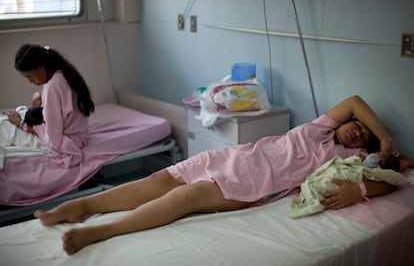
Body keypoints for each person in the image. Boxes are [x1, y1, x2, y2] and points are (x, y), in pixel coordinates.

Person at [34, 95, 399, 255]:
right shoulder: (320, 127)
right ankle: (83, 205)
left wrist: (367, 176)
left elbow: (398, 174)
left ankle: (98, 232)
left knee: (183, 198)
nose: (358, 133)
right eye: (358, 127)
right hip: (234, 157)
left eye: (364, 138)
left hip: (257, 184)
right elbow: (353, 100)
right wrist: (383, 135)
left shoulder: (351, 157)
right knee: (156, 182)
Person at [7, 44, 95, 167]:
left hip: (69, 143)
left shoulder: (52, 87)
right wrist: (43, 100)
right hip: (80, 133)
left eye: (30, 77)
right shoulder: (63, 73)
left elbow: (53, 139)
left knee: (9, 128)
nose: (30, 82)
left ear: (40, 67)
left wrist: (20, 124)